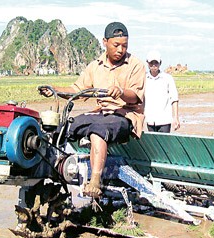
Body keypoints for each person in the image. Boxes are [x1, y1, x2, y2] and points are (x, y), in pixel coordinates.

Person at [40, 21, 145, 198]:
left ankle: (96, 181)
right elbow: (78, 91)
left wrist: (120, 92)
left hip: (125, 116)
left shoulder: (135, 65)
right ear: (105, 42)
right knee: (63, 126)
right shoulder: (95, 66)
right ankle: (51, 169)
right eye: (116, 45)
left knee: (99, 129)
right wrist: (55, 90)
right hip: (101, 114)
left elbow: (135, 96)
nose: (120, 50)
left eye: (124, 46)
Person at [144, 50, 180, 133]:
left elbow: (174, 99)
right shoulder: (143, 79)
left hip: (164, 120)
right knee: (152, 145)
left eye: (156, 63)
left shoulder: (168, 78)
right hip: (150, 120)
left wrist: (176, 118)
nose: (153, 65)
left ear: (160, 63)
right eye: (151, 63)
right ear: (147, 63)